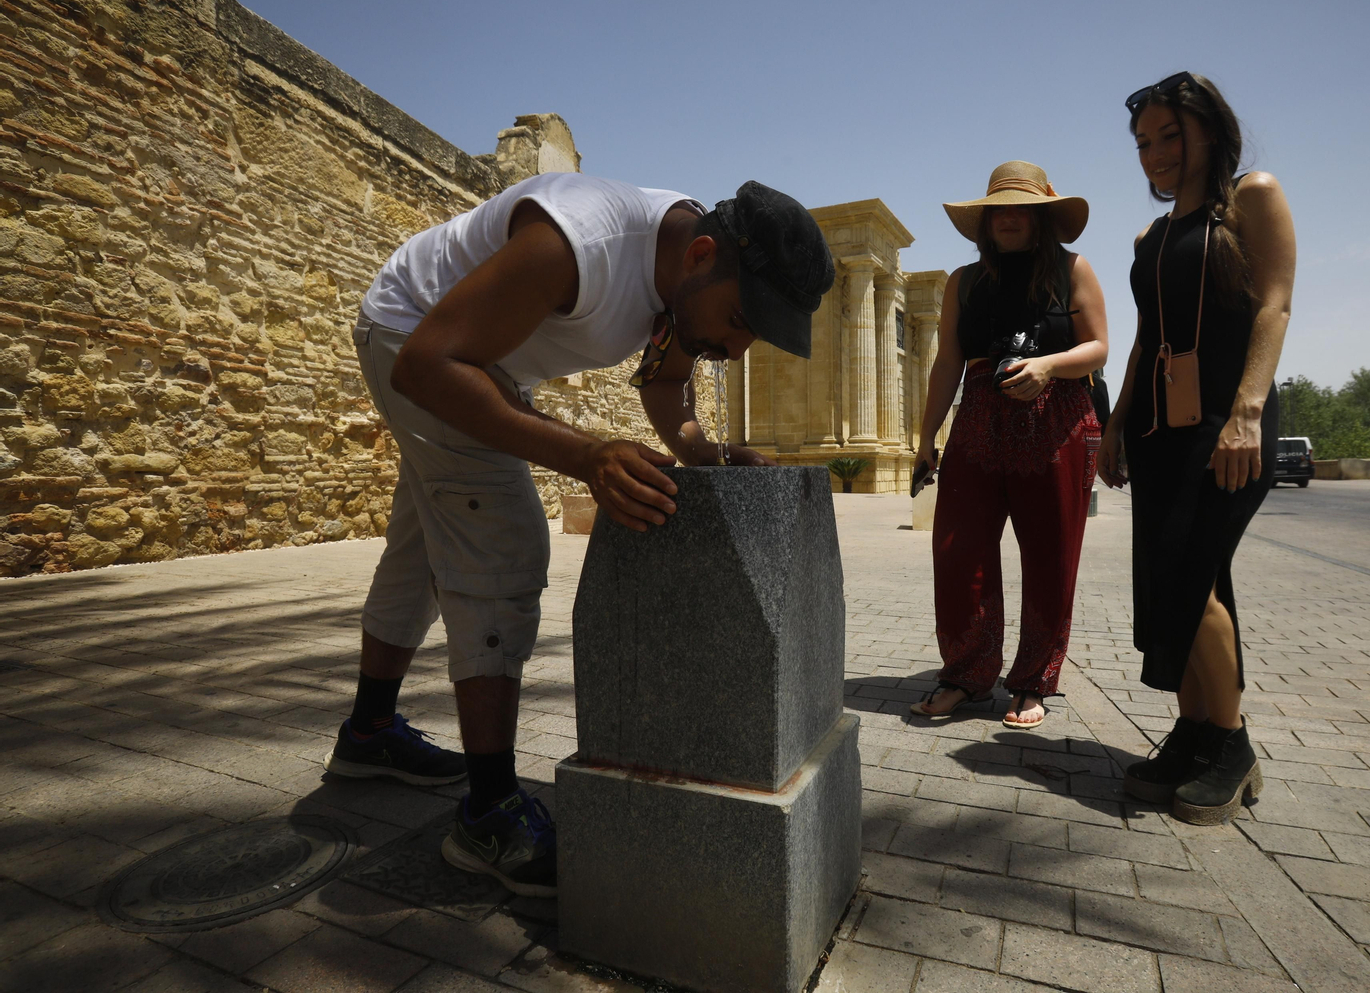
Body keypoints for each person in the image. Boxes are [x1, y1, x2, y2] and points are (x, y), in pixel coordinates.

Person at [323, 173, 834, 896]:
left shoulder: (684, 277)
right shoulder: (579, 242)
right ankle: (488, 817)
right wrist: (588, 456)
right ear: (701, 257)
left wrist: (713, 457)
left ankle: (370, 732)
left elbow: (665, 384)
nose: (739, 347)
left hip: (482, 361)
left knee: (425, 543)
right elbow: (428, 364)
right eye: (741, 319)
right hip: (417, 338)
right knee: (502, 545)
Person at [1097, 73, 1296, 824]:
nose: (1155, 154)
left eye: (1170, 135)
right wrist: (1116, 424)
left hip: (1225, 420)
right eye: (1143, 143)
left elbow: (1274, 304)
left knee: (1189, 576)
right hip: (1158, 429)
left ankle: (1232, 746)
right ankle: (1193, 732)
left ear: (1210, 129)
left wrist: (1246, 413)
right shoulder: (1149, 239)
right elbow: (1146, 338)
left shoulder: (1252, 198)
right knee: (1170, 580)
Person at [908, 161, 1107, 729]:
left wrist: (1047, 366)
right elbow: (948, 361)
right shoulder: (963, 281)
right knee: (958, 551)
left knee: (1050, 554)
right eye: (999, 208)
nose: (1010, 217)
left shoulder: (1072, 269)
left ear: (1042, 217)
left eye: (1024, 207)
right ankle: (966, 673)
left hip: (1058, 420)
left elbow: (1098, 347)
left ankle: (1032, 681)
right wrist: (926, 436)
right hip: (978, 419)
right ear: (986, 219)